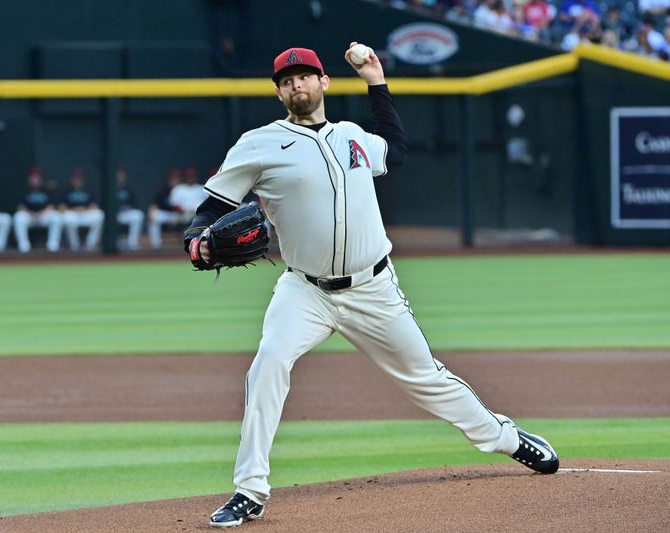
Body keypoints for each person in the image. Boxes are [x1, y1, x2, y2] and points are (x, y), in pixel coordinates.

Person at [183, 44, 560, 528]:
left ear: (324, 83)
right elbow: (210, 210)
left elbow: (397, 151)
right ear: (278, 92)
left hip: (374, 287)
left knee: (427, 380)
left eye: (306, 76)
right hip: (306, 291)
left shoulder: (354, 136)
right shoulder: (257, 144)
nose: (297, 84)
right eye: (287, 80)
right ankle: (249, 490)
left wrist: (376, 80)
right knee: (268, 364)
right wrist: (197, 242)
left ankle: (505, 438)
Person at [12, 167, 63, 253]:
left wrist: (43, 213)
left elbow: (52, 205)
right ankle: (24, 246)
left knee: (57, 217)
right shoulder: (24, 190)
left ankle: (53, 245)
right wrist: (30, 213)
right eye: (33, 177)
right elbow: (20, 207)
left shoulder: (47, 189)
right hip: (29, 216)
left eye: (37, 177)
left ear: (41, 179)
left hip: (44, 216)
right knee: (18, 217)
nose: (35, 179)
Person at [60, 168, 105, 251]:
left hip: (86, 214)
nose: (77, 181)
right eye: (75, 179)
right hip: (73, 215)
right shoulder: (67, 190)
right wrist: (74, 209)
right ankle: (74, 244)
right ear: (72, 180)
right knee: (66, 217)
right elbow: (62, 207)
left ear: (83, 180)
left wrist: (85, 209)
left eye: (79, 179)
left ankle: (91, 243)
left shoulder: (89, 190)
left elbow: (95, 205)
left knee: (99, 215)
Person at [115, 166, 145, 250]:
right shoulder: (109, 188)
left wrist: (129, 207)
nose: (120, 177)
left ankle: (132, 243)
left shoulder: (128, 189)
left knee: (138, 215)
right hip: (114, 214)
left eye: (122, 175)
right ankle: (115, 241)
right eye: (119, 175)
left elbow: (135, 204)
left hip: (126, 213)